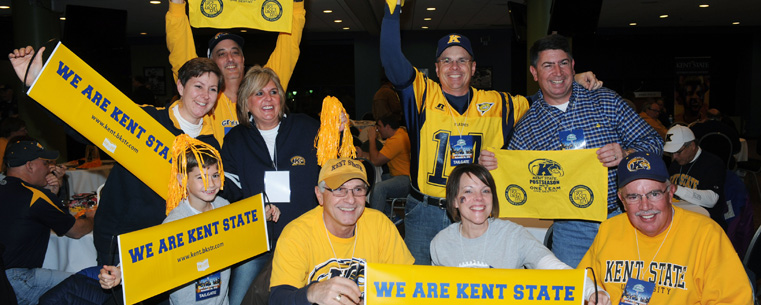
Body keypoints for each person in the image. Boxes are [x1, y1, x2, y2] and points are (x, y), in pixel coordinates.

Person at [380, 0, 603, 265]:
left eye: (462, 60)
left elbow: (541, 99)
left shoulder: (499, 105)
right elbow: (393, 61)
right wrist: (392, 12)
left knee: (472, 285)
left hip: (476, 213)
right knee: (420, 289)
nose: (455, 67)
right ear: (437, 68)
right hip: (427, 209)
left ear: (473, 68)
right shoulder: (422, 95)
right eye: (447, 61)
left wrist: (568, 80)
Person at [9, 46, 222, 278]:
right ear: (181, 87)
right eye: (198, 86)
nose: (205, 95)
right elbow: (82, 122)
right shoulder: (145, 119)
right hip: (119, 241)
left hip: (169, 246)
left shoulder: (211, 146)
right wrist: (37, 81)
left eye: (212, 89)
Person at [503, 34, 664, 268]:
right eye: (548, 65)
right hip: (571, 229)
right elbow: (513, 174)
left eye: (563, 63)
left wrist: (627, 154)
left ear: (573, 66)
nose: (557, 72)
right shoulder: (528, 125)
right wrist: (495, 164)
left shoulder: (606, 101)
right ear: (534, 72)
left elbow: (653, 142)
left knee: (631, 290)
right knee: (575, 293)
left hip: (622, 217)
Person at [97, 135, 281, 305]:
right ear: (182, 179)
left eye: (215, 175)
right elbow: (150, 253)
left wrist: (263, 215)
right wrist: (120, 273)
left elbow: (244, 224)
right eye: (200, 177)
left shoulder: (223, 207)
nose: (210, 184)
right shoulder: (176, 220)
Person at [578, 151, 752, 304]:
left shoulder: (705, 235)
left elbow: (734, 300)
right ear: (622, 200)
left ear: (670, 193)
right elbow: (584, 283)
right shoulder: (609, 229)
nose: (645, 206)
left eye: (654, 194)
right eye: (633, 197)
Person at [430, 164, 610, 304]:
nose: (479, 198)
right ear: (454, 200)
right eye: (468, 191)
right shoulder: (440, 243)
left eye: (486, 191)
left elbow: (555, 268)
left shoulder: (514, 235)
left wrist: (592, 291)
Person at [220, 65, 320, 302]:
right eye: (259, 93)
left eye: (273, 92)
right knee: (240, 301)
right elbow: (230, 193)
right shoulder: (235, 140)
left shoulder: (307, 128)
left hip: (303, 241)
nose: (268, 99)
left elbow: (333, 169)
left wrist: (339, 130)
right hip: (256, 244)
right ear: (246, 103)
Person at [269, 158, 414, 305]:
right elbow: (278, 299)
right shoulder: (296, 234)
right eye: (339, 189)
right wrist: (312, 293)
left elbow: (409, 283)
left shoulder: (380, 225)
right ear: (320, 195)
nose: (351, 200)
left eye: (358, 189)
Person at [166, 0, 305, 147]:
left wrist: (296, 7)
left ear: (243, 59)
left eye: (235, 52)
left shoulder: (262, 90)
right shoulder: (203, 98)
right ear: (210, 61)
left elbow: (288, 50)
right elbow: (179, 47)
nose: (230, 58)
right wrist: (177, 8)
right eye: (221, 54)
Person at [1, 139, 94, 305]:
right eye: (45, 163)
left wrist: (51, 194)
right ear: (30, 166)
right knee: (89, 287)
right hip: (17, 280)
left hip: (6, 280)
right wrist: (93, 218)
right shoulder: (35, 196)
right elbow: (76, 231)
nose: (50, 168)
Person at [662, 125, 727, 229]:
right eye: (671, 153)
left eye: (678, 152)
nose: (674, 157)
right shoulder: (676, 162)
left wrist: (677, 189)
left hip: (706, 221)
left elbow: (712, 200)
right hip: (678, 216)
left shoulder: (713, 163)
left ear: (692, 145)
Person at [365, 114, 410, 219]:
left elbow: (376, 161)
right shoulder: (400, 135)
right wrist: (363, 152)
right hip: (397, 176)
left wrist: (372, 139)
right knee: (370, 183)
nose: (378, 130)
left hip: (406, 179)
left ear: (388, 127)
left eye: (379, 126)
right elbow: (379, 156)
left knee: (378, 188)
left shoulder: (397, 140)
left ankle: (375, 222)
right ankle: (392, 216)